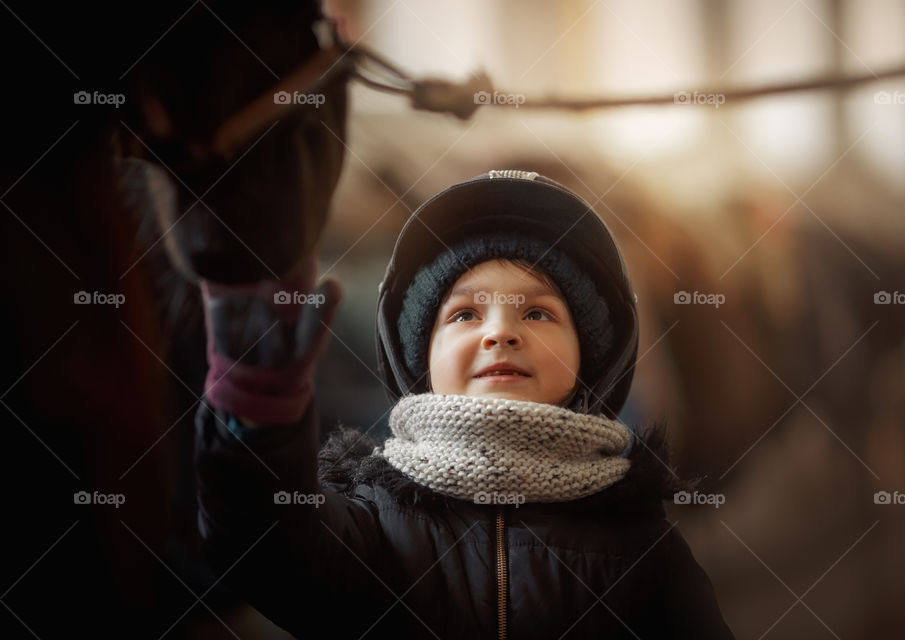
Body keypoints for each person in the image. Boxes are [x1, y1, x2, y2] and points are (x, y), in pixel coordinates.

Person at [194, 170, 736, 638]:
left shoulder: (642, 549)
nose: (499, 332)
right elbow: (258, 545)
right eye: (464, 315)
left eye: (538, 313)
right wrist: (256, 407)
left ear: (590, 354)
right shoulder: (373, 528)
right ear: (420, 359)